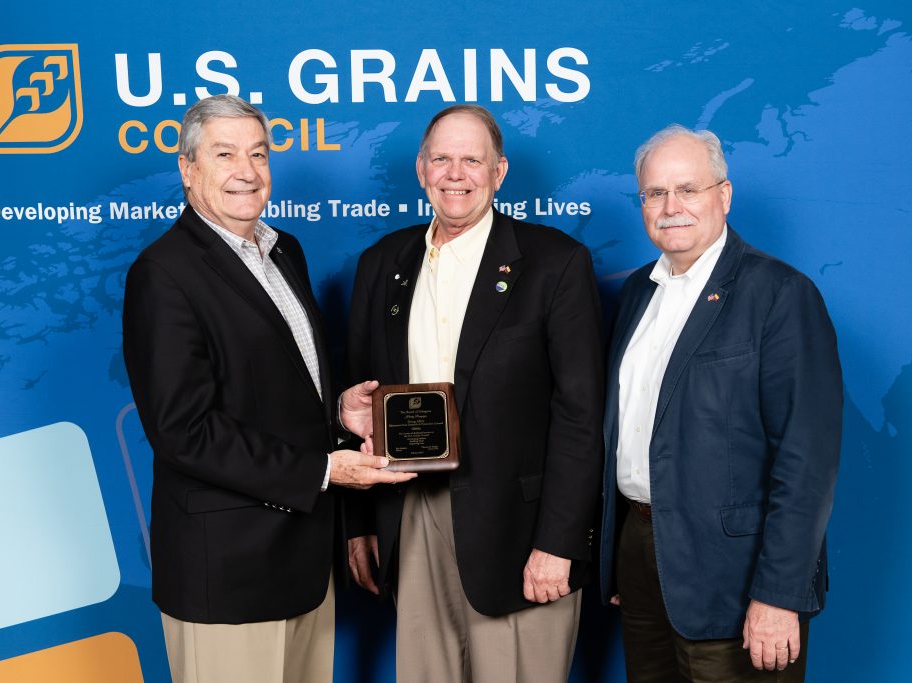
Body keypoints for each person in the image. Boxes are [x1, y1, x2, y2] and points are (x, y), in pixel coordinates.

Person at [122, 94, 414, 683]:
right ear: (187, 168)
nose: (247, 172)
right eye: (225, 154)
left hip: (302, 562)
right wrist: (325, 472)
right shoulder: (164, 274)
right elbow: (185, 432)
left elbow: (268, 384)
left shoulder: (283, 251)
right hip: (228, 570)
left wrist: (337, 410)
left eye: (258, 153)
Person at [341, 104, 604, 682]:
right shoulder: (381, 264)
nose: (454, 174)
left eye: (471, 160)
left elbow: (581, 416)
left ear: (499, 172)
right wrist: (359, 523)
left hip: (521, 534)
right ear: (420, 169)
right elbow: (359, 399)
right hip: (408, 515)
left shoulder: (554, 263)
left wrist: (560, 543)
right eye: (441, 158)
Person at [599, 124, 841, 681]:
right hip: (643, 556)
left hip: (736, 576)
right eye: (655, 193)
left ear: (724, 196)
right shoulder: (638, 292)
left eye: (689, 189)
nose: (671, 207)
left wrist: (780, 595)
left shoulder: (779, 294)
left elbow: (806, 463)